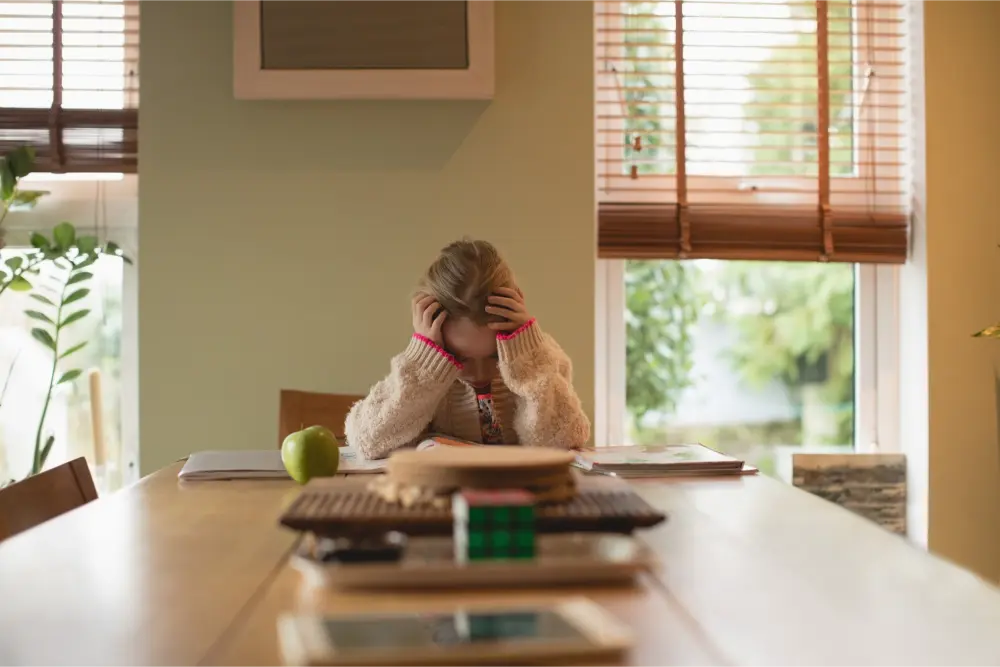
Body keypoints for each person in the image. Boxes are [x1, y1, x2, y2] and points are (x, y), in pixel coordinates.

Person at [346, 239, 590, 460]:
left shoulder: (538, 358)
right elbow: (367, 441)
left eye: (495, 355)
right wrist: (422, 361)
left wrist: (527, 355)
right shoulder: (423, 371)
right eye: (460, 357)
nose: (479, 374)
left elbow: (565, 442)